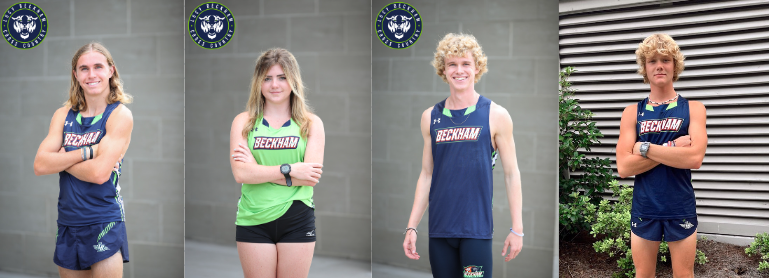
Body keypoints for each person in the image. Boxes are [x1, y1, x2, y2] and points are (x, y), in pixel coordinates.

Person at [402, 33, 524, 277]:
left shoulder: (495, 115)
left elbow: (511, 174)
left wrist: (517, 229)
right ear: (443, 70)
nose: (459, 70)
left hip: (475, 230)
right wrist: (411, 226)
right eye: (452, 64)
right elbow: (427, 175)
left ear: (477, 67)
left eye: (466, 63)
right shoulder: (430, 117)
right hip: (439, 229)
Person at [33, 42, 133, 277]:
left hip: (103, 220)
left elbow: (99, 174)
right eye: (84, 68)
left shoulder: (119, 115)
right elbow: (39, 165)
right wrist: (88, 152)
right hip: (68, 221)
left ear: (111, 70)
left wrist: (62, 158)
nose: (91, 74)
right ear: (76, 75)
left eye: (98, 66)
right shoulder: (63, 115)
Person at [616, 33, 707, 278]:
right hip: (646, 206)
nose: (659, 66)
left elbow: (694, 158)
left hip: (680, 206)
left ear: (675, 65)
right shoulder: (632, 112)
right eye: (652, 60)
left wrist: (643, 148)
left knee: (684, 275)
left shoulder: (693, 109)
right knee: (643, 275)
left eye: (665, 60)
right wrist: (674, 147)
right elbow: (624, 167)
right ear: (645, 67)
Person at [229, 48, 325, 278]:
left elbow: (310, 178)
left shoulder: (310, 123)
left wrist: (257, 170)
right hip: (253, 218)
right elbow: (241, 174)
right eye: (267, 78)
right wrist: (291, 169)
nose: (275, 85)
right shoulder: (244, 122)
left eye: (282, 77)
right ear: (258, 83)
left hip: (297, 218)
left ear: (293, 81)